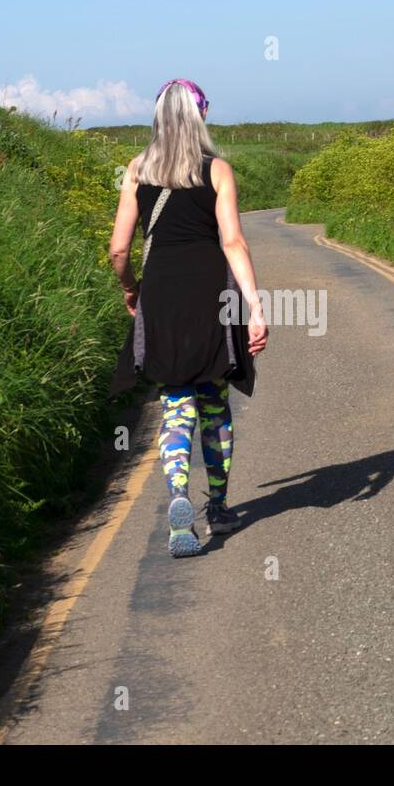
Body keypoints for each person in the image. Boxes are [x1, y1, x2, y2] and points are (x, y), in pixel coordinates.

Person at [109, 79, 268, 557]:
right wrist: (255, 306)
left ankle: (178, 493)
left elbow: (118, 249)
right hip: (211, 295)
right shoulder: (217, 170)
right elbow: (233, 242)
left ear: (157, 116)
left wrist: (130, 288)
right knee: (214, 401)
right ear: (203, 116)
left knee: (175, 402)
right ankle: (217, 506)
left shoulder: (137, 169)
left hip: (161, 294)